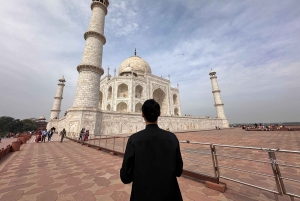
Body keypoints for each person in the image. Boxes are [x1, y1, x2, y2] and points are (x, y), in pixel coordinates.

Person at [120, 99, 183, 201]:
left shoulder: (134, 139)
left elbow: (125, 177)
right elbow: (178, 171)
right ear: (159, 114)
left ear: (142, 115)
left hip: (142, 195)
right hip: (169, 195)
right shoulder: (172, 138)